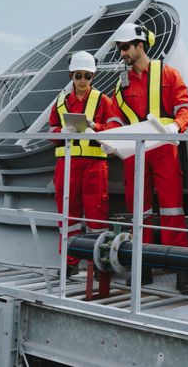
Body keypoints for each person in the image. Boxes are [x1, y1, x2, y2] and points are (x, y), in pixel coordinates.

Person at [107, 23, 188, 294]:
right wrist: (109, 140)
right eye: (119, 49)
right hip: (133, 152)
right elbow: (114, 118)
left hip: (163, 147)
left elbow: (184, 108)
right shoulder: (120, 84)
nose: (121, 53)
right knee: (139, 210)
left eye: (125, 48)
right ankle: (142, 265)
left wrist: (175, 126)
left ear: (140, 46)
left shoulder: (169, 74)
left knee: (172, 208)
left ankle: (182, 271)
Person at [49, 51, 119, 278]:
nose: (82, 80)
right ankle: (69, 261)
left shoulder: (103, 100)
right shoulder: (60, 103)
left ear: (93, 77)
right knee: (67, 216)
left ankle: (98, 262)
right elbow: (50, 132)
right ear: (71, 75)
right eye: (78, 75)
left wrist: (95, 128)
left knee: (96, 216)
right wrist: (62, 132)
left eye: (87, 76)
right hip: (66, 165)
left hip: (94, 167)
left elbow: (115, 129)